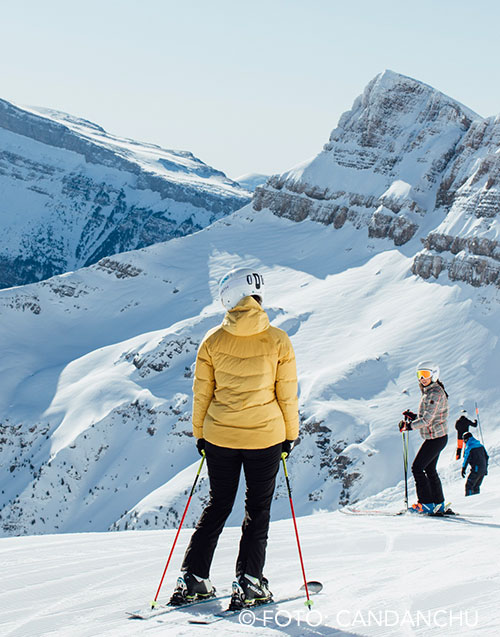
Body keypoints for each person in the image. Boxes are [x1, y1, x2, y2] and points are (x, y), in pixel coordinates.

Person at [169, 267, 299, 610]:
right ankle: (250, 582)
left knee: (218, 505)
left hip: (220, 436)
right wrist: (290, 435)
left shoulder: (212, 341)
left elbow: (202, 394)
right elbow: (287, 394)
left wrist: (200, 434)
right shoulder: (278, 340)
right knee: (258, 510)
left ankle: (193, 579)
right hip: (265, 437)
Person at [399, 360, 449, 515]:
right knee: (429, 469)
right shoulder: (430, 391)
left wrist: (409, 426)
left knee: (417, 468)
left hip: (436, 438)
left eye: (426, 374)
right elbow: (430, 415)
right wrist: (413, 417)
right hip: (437, 437)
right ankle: (438, 504)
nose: (422, 379)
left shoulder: (434, 394)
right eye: (419, 375)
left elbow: (427, 420)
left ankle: (425, 504)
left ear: (434, 375)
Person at [462, 431, 488, 496]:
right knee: (476, 486)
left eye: (464, 441)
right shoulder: (480, 445)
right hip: (483, 470)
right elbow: (486, 457)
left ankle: (470, 502)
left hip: (476, 470)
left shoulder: (469, 447)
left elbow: (466, 459)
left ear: (466, 439)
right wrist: (485, 468)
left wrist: (463, 468)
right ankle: (476, 501)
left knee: (469, 486)